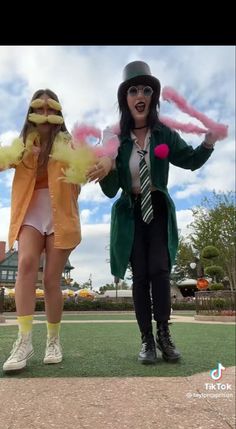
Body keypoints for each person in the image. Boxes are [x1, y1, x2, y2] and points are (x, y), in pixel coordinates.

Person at [86, 61, 219, 364]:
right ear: (126, 99)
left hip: (157, 206)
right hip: (130, 211)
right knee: (141, 276)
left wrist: (208, 143)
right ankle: (146, 340)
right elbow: (109, 187)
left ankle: (164, 334)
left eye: (146, 89)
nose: (140, 94)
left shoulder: (164, 133)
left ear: (153, 97)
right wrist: (106, 165)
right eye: (133, 90)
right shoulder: (114, 136)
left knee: (160, 269)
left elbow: (190, 160)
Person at [1, 89, 81, 372]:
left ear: (58, 113)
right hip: (30, 211)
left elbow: (80, 174)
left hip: (60, 213)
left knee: (50, 280)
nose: (45, 115)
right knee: (25, 265)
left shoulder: (68, 143)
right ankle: (23, 341)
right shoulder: (22, 143)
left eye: (51, 110)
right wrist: (23, 153)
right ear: (32, 113)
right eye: (40, 109)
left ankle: (53, 340)